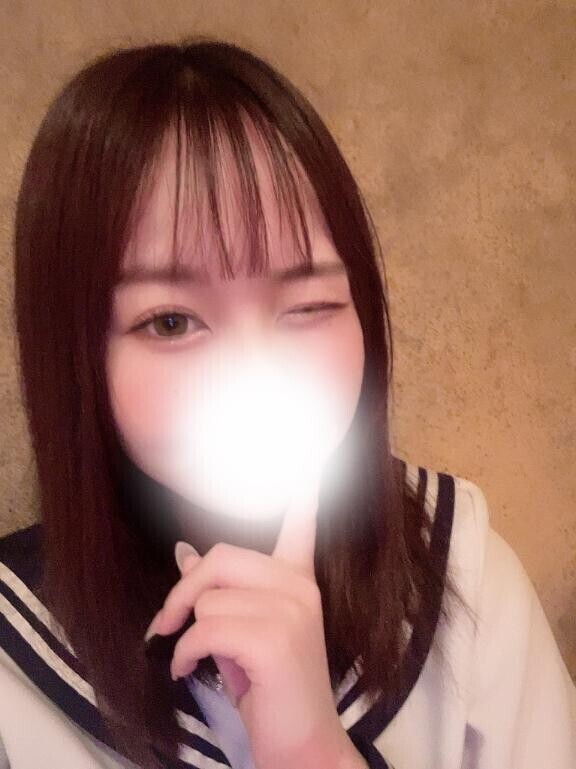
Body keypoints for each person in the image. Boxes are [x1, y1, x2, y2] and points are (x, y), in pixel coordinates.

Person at [0, 37, 574, 769]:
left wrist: (311, 749)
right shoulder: (15, 664)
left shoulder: (462, 570)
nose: (255, 369)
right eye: (171, 321)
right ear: (76, 355)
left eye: (307, 305)